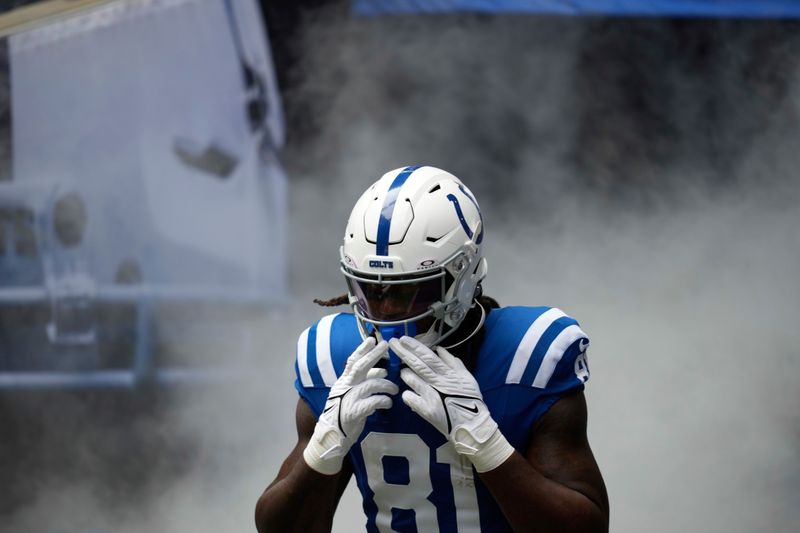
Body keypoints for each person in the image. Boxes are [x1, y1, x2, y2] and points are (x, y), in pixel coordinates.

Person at [255, 165, 609, 532]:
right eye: (373, 291)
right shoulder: (336, 359)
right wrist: (323, 451)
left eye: (410, 291)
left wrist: (487, 446)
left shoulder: (528, 356)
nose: (389, 310)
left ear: (464, 275)